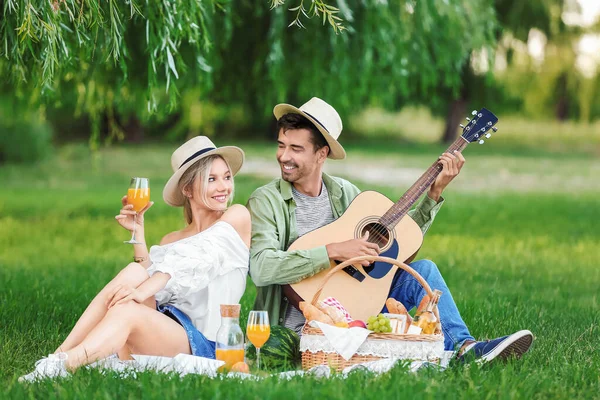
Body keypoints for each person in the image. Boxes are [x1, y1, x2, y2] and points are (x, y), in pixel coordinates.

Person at [247, 97, 534, 364]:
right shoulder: (266, 201)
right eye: (281, 144)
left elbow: (395, 241)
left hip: (360, 312)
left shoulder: (346, 194)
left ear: (322, 154)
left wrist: (433, 194)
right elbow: (261, 268)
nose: (283, 155)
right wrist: (334, 250)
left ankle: (465, 348)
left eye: (296, 148)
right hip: (304, 329)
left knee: (424, 270)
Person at [19, 136, 251, 382]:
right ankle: (56, 357)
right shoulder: (172, 239)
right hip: (166, 329)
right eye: (211, 179)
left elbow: (197, 258)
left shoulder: (236, 218)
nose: (224, 187)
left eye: (226, 177)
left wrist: (142, 292)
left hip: (209, 344)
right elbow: (149, 275)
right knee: (133, 272)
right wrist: (138, 233)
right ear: (187, 188)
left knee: (129, 306)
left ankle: (64, 366)